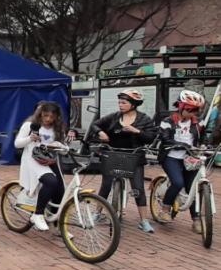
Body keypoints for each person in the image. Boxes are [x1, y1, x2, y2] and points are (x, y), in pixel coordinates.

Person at [88, 90, 158, 233]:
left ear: (133, 104)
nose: (120, 105)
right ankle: (98, 213)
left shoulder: (144, 119)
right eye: (119, 102)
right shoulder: (114, 117)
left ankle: (144, 221)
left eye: (124, 103)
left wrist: (136, 131)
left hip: (134, 156)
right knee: (106, 184)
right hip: (113, 154)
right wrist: (100, 132)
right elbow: (95, 124)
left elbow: (151, 137)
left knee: (138, 188)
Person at [13, 102, 69, 231]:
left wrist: (61, 146)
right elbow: (17, 144)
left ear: (57, 117)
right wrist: (29, 139)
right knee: (51, 181)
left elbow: (65, 147)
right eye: (46, 116)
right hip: (33, 160)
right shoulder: (30, 125)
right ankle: (38, 214)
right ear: (40, 114)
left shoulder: (57, 128)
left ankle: (59, 227)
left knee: (60, 191)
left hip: (50, 160)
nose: (48, 119)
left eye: (52, 116)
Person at [157, 90, 206, 233]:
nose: (193, 113)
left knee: (193, 188)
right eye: (190, 109)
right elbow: (164, 138)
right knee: (178, 183)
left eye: (196, 110)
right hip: (171, 157)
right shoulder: (167, 121)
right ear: (180, 106)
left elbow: (203, 138)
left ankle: (196, 220)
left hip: (190, 158)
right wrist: (181, 144)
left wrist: (205, 146)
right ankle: (165, 209)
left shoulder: (198, 123)